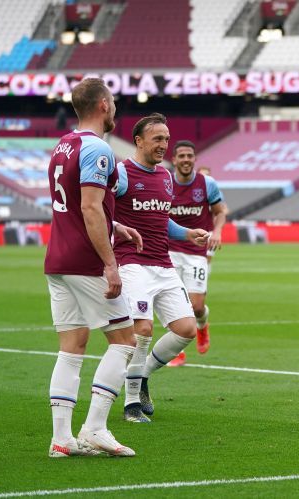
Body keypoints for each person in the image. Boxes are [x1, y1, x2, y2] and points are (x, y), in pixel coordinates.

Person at [44, 77, 141, 457]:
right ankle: (96, 427)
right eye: (113, 101)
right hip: (86, 262)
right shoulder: (97, 148)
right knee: (124, 341)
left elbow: (73, 205)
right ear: (103, 104)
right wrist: (111, 264)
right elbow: (86, 207)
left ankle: (61, 438)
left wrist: (116, 224)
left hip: (58, 259)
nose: (115, 107)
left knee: (72, 347)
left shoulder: (63, 145)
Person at [113, 113, 209, 422]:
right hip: (131, 263)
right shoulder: (122, 173)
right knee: (142, 329)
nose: (164, 145)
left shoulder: (165, 176)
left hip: (162, 264)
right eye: (158, 139)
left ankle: (141, 377)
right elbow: (99, 211)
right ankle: (131, 404)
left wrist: (186, 233)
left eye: (166, 139)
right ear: (139, 141)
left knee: (186, 329)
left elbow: (160, 219)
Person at [165, 141, 227, 367]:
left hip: (196, 251)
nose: (186, 160)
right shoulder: (165, 182)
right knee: (172, 302)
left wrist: (217, 231)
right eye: (181, 156)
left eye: (190, 156)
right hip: (169, 250)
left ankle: (202, 327)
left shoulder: (207, 184)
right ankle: (176, 350)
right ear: (174, 160)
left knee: (197, 306)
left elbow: (220, 211)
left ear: (194, 159)